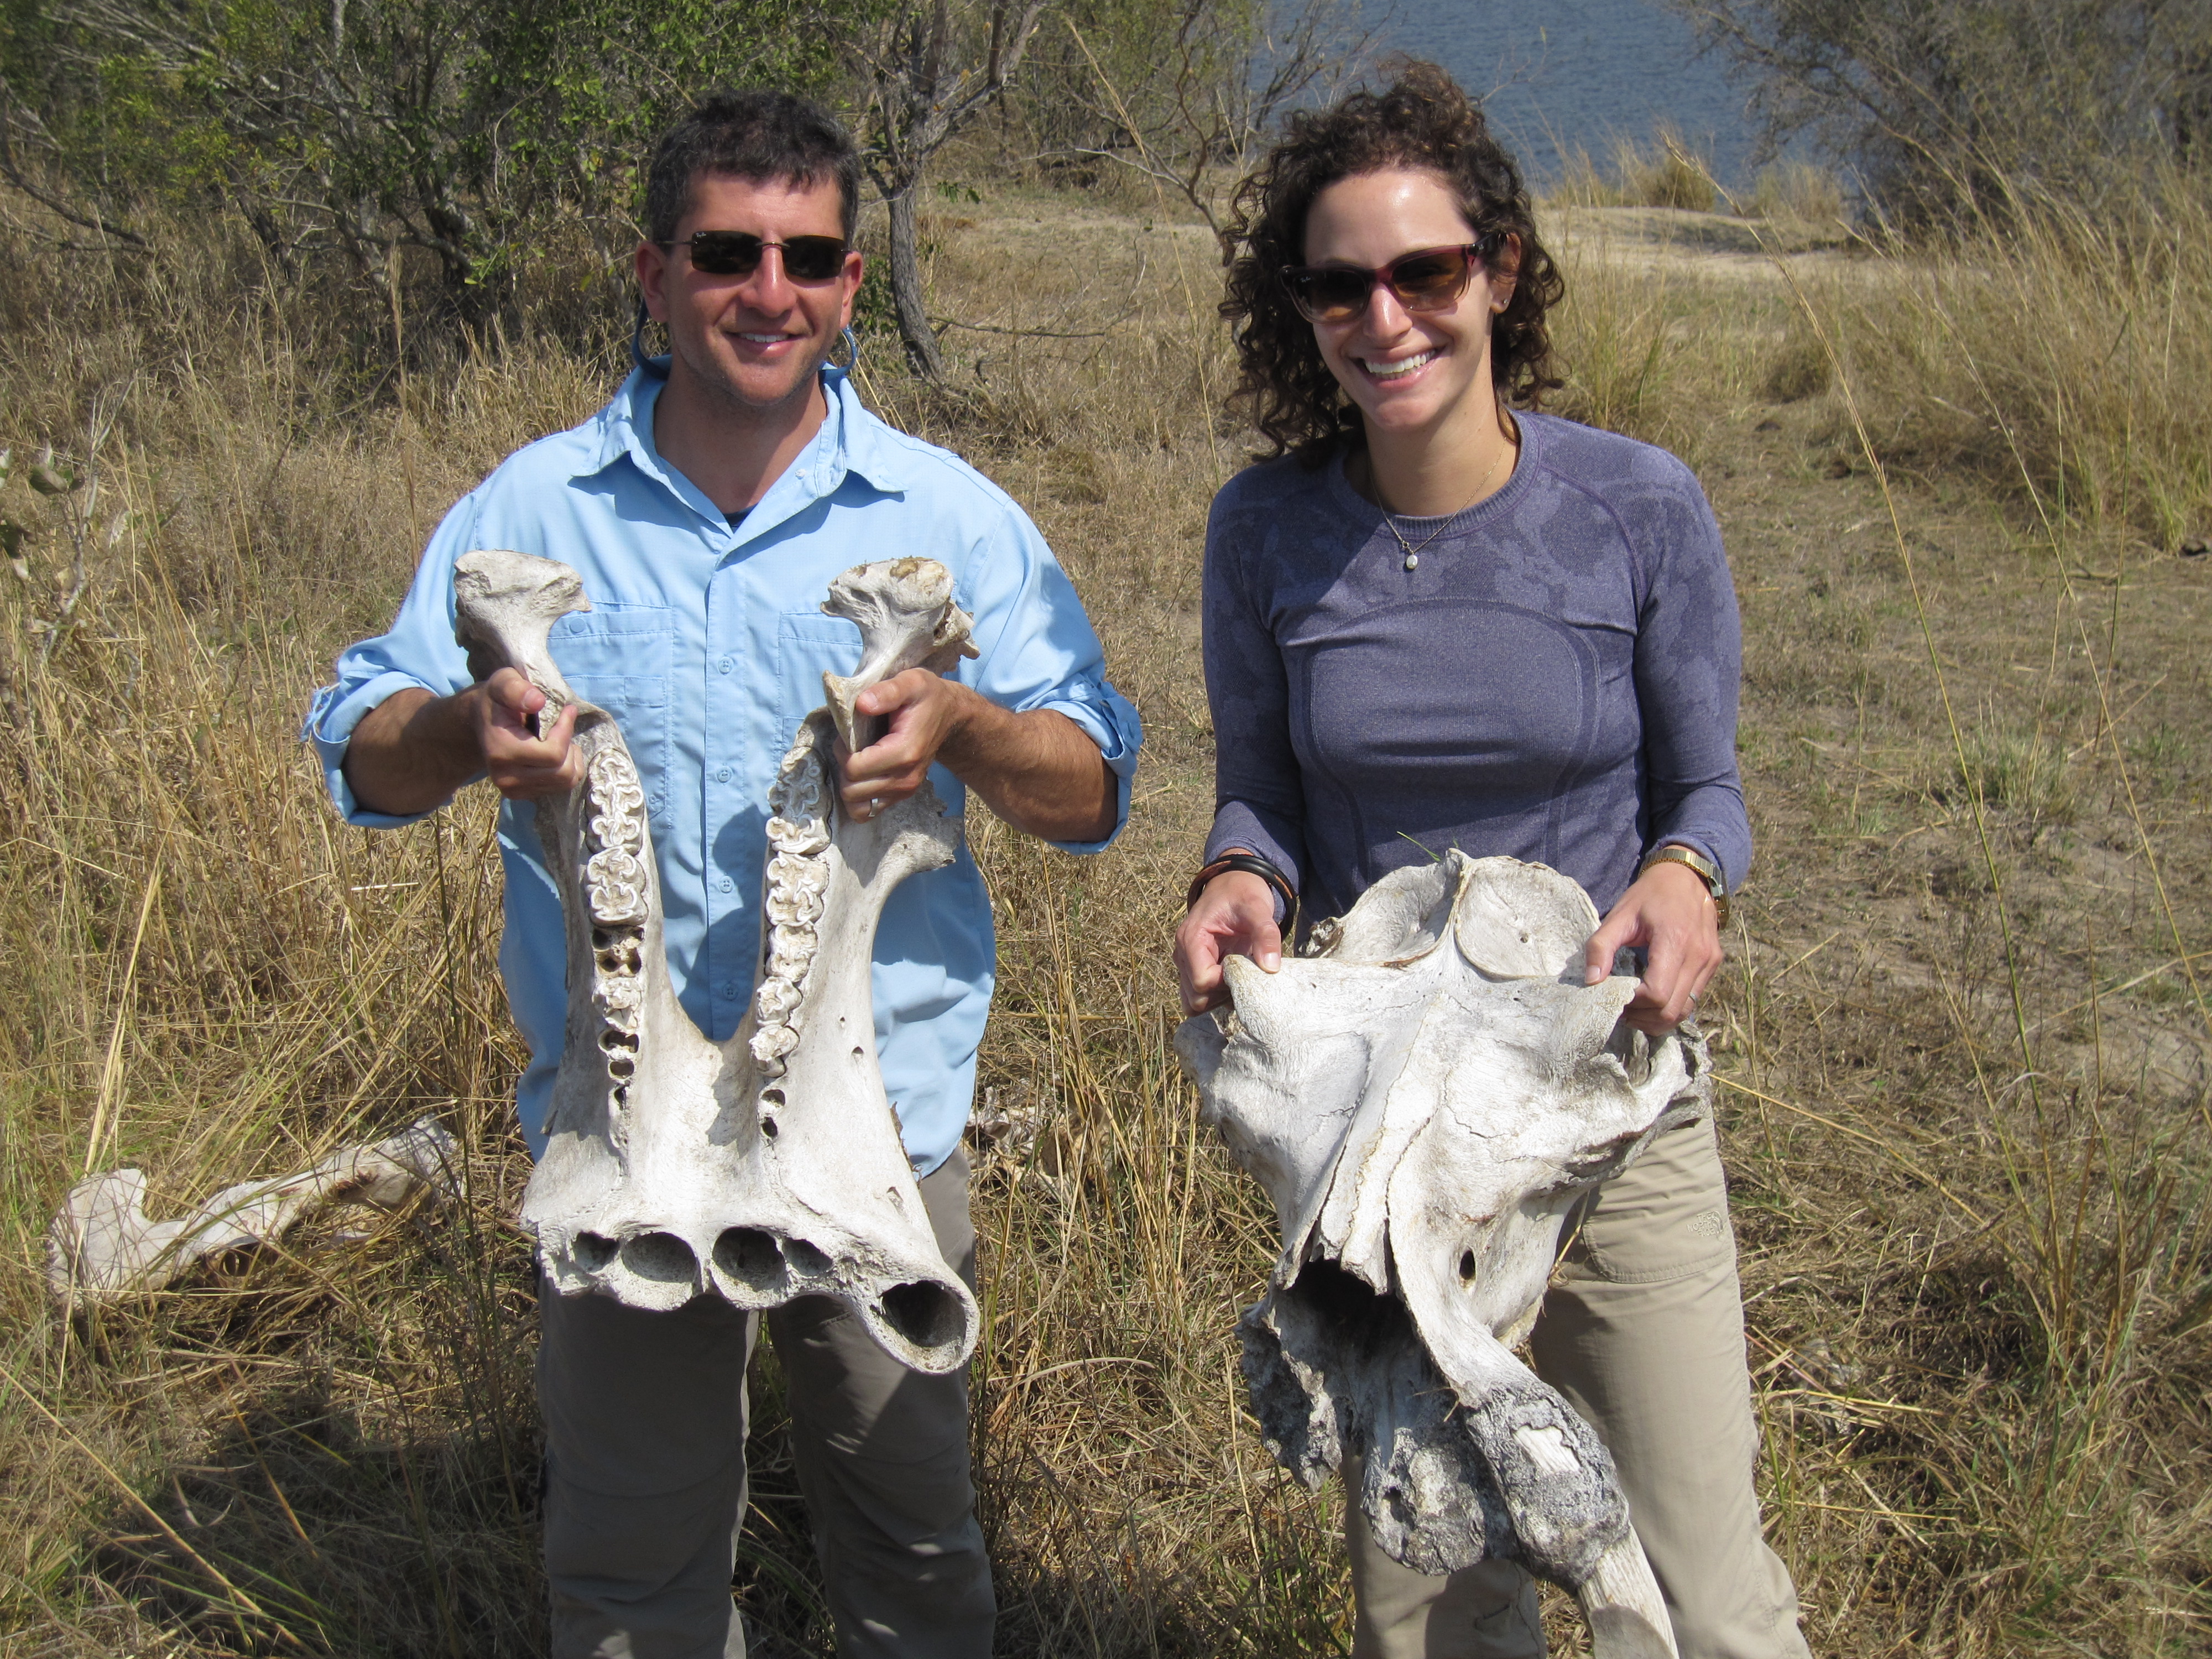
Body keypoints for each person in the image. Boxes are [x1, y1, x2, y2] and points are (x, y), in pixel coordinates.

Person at [304, 89, 1140, 1659]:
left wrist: (962, 726)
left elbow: (1094, 785)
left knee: (912, 1556)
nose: (771, 291)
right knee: (630, 1569)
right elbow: (361, 746)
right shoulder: (532, 507)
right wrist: (467, 731)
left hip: (876, 1124)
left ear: (849, 281)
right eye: (726, 253)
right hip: (619, 1130)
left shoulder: (950, 516)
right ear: (653, 272)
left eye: (809, 256)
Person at [1171, 62, 1809, 1659]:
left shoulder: (1637, 508)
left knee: (1702, 1589)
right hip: (1386, 1137)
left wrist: (1686, 876)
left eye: (1426, 272)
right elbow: (1262, 798)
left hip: (1606, 1095)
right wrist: (1238, 881)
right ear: (1299, 308)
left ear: (1501, 272)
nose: (1384, 318)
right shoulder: (1264, 530)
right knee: (1436, 1592)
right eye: (1339, 285)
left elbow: (1706, 791)